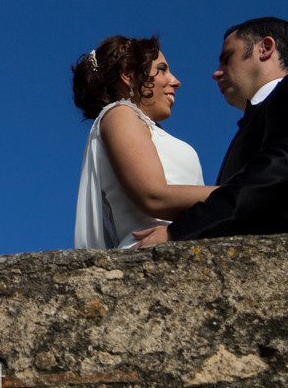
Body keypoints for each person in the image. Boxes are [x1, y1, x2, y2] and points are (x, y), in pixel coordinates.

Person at [133, 17, 288, 247]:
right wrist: (281, 209)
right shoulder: (251, 124)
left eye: (227, 58)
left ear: (265, 49)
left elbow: (276, 170)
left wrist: (177, 232)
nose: (216, 73)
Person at [72, 35, 214, 249]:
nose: (175, 81)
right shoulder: (119, 114)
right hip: (149, 248)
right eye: (162, 70)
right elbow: (153, 195)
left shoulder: (147, 128)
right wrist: (241, 192)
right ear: (128, 75)